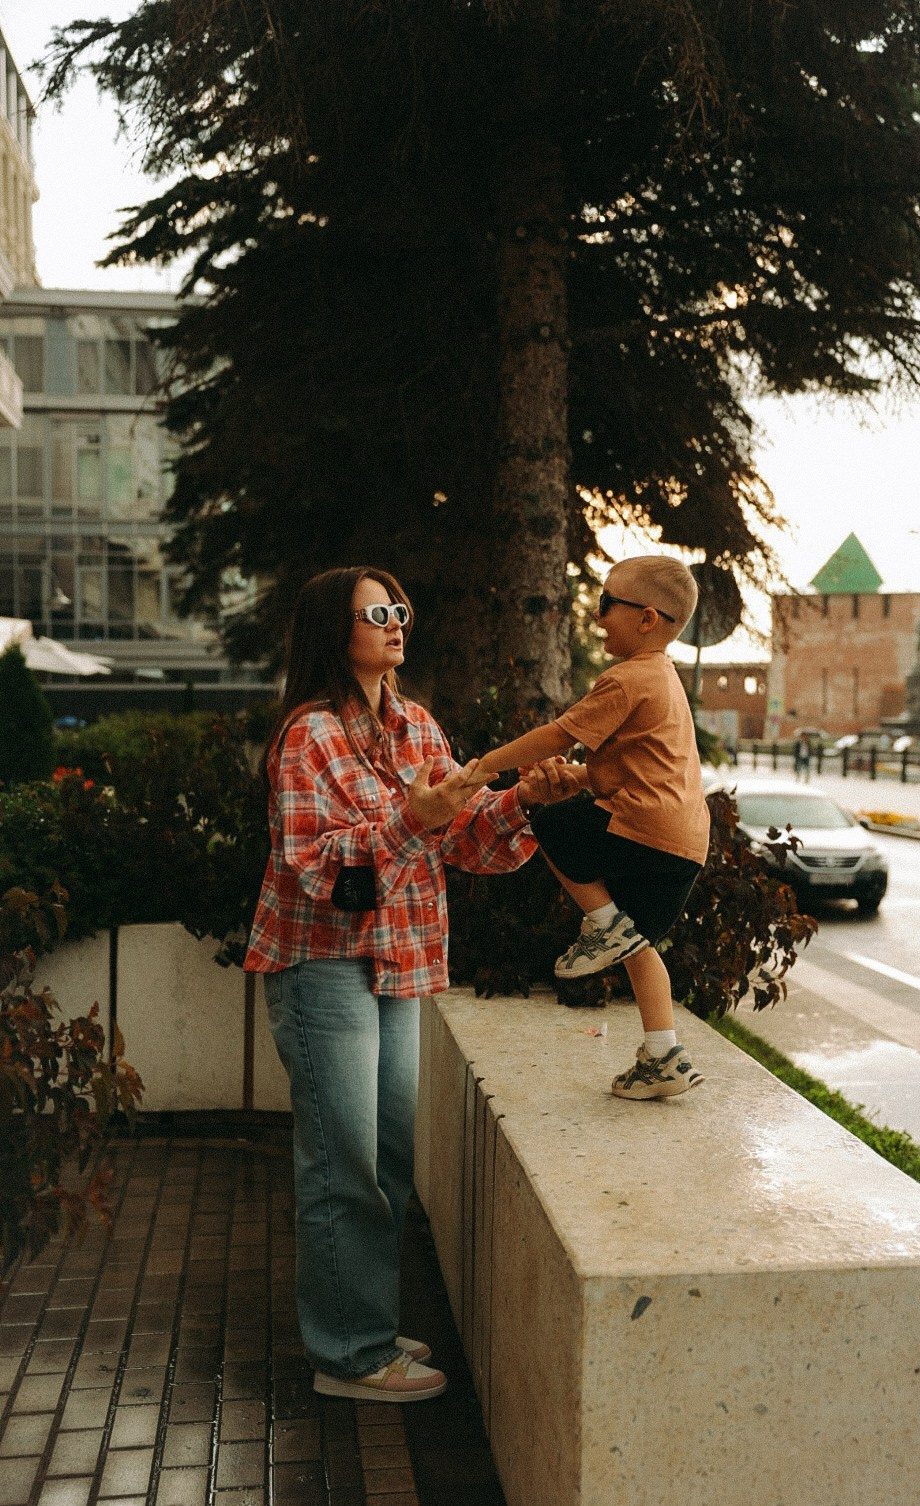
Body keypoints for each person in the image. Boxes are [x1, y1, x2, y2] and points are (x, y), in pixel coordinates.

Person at [244, 566, 576, 1404]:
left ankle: (367, 1324)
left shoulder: (416, 726)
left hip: (401, 962)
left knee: (388, 1159)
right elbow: (319, 870)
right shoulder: (307, 736)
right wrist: (411, 821)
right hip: (323, 966)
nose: (396, 624)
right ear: (335, 630)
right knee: (342, 1163)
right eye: (376, 613)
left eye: (400, 610)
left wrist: (526, 800)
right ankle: (348, 1355)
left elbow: (468, 840)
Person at [464, 555, 710, 1101]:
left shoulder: (627, 678)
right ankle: (663, 1055)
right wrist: (573, 779)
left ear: (647, 618)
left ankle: (599, 922)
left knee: (547, 820)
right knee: (638, 945)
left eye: (605, 605)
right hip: (683, 843)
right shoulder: (664, 678)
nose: (597, 618)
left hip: (643, 829)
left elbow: (554, 735)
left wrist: (483, 767)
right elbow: (629, 768)